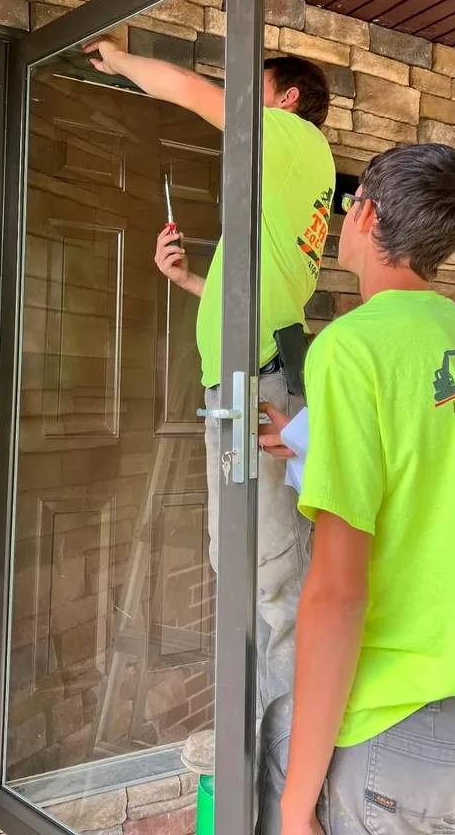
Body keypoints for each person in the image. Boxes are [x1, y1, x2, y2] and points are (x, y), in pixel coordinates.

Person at [256, 143, 455, 835]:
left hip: (399, 715)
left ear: (367, 213)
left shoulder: (353, 347)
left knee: (282, 762)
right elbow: (436, 472)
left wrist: (296, 812)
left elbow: (338, 591)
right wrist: (308, 440)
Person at [85, 39, 336, 770]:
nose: (235, 97)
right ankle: (260, 744)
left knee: (269, 573)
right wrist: (192, 282)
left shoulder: (291, 138)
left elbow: (194, 96)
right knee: (250, 564)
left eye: (250, 87)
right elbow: (264, 295)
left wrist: (122, 60)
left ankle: (282, 763)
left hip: (257, 385)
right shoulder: (281, 182)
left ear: (286, 99)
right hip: (251, 376)